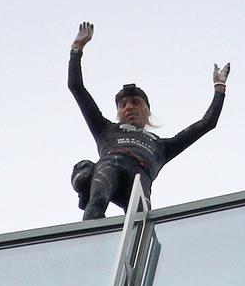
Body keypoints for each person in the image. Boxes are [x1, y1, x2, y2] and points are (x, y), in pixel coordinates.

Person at [68, 21, 229, 220]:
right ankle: (88, 242)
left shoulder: (161, 146)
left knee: (141, 220)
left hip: (140, 177)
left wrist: (219, 88)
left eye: (135, 103)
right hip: (110, 166)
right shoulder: (105, 129)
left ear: (147, 111)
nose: (129, 108)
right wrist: (77, 48)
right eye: (123, 105)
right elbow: (76, 87)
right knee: (97, 200)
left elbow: (207, 123)